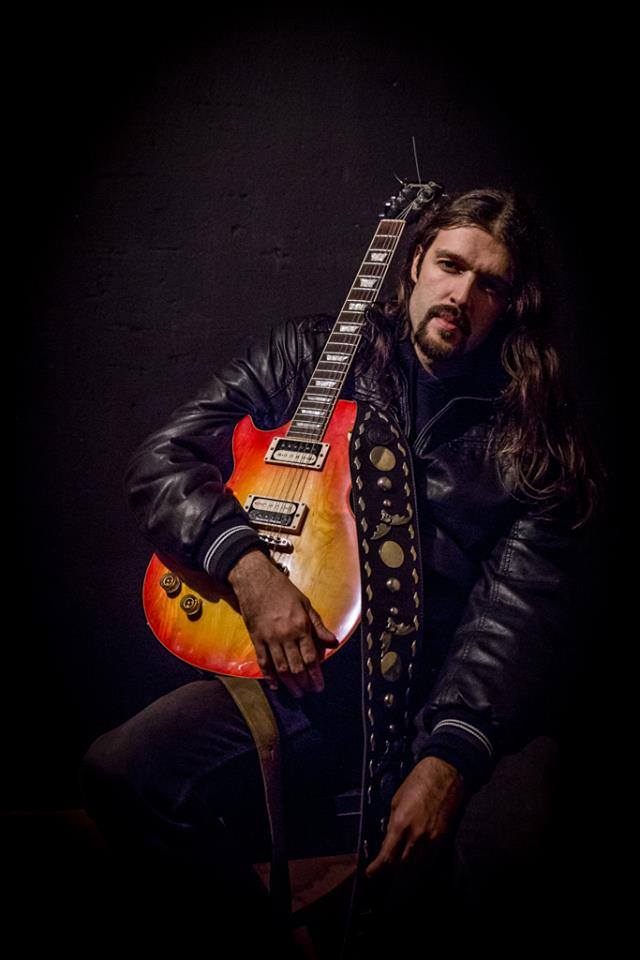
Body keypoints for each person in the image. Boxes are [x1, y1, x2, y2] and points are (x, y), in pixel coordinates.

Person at [79, 188, 602, 955]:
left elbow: (517, 615)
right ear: (414, 263)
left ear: (510, 303)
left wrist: (450, 756)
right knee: (121, 769)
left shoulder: (531, 435)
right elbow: (164, 461)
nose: (461, 294)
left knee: (504, 860)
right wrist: (249, 570)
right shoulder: (306, 355)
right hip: (303, 683)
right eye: (450, 265)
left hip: (439, 696)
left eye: (489, 283)